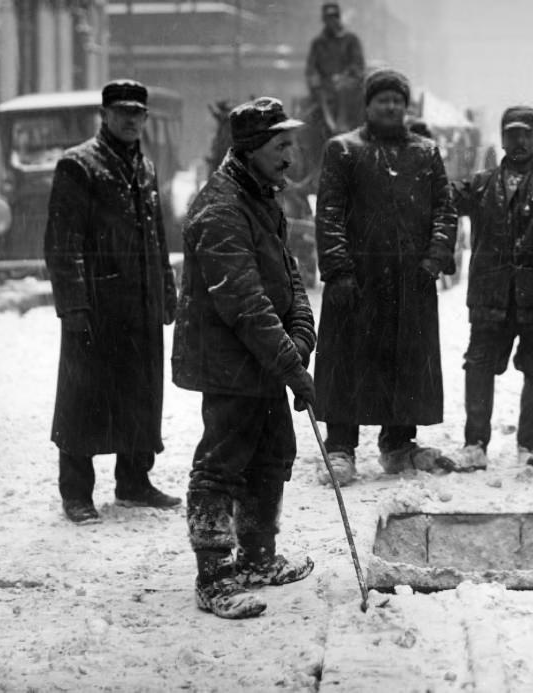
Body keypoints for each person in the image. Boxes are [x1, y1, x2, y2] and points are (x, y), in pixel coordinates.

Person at [172, 97, 316, 619]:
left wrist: (301, 334)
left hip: (263, 357)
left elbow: (291, 277)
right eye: (281, 146)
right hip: (228, 361)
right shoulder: (222, 208)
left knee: (273, 452)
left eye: (290, 144)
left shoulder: (262, 197)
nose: (291, 155)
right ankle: (213, 577)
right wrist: (291, 364)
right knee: (222, 466)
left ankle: (258, 557)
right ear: (252, 150)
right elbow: (246, 303)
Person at [44, 79, 180, 525]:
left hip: (139, 304)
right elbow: (63, 243)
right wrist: (75, 305)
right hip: (96, 306)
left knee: (141, 393)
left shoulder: (145, 166)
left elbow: (157, 237)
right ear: (104, 115)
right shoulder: (78, 165)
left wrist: (165, 290)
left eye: (137, 112)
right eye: (121, 111)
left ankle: (135, 481)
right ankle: (77, 492)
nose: (130, 118)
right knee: (84, 397)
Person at [313, 68, 458, 486]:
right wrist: (338, 269)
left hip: (409, 280)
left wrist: (434, 258)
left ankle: (398, 445)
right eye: (383, 100)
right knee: (348, 362)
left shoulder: (426, 152)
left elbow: (444, 210)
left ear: (406, 105)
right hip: (358, 279)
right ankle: (340, 448)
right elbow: (330, 213)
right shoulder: (343, 149)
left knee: (406, 361)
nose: (391, 106)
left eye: (398, 99)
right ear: (369, 105)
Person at [450, 106, 533, 470]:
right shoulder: (480, 183)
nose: (519, 141)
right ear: (502, 139)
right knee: (478, 366)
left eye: (527, 134)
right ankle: (475, 444)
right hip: (492, 296)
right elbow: (441, 200)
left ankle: (528, 446)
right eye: (512, 134)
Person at [305, 2, 365, 133]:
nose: (332, 21)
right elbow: (311, 68)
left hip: (348, 85)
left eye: (334, 17)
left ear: (338, 17)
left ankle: (342, 125)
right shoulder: (318, 43)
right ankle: (329, 126)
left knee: (343, 89)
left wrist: (344, 76)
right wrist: (315, 82)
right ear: (324, 20)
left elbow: (358, 65)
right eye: (328, 18)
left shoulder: (351, 39)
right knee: (315, 107)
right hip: (324, 87)